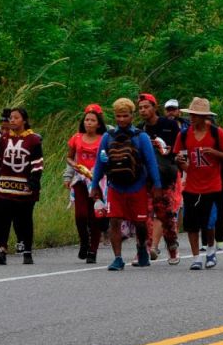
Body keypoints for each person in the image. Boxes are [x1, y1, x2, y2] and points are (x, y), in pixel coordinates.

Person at [91, 98, 163, 271]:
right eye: (118, 116)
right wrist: (94, 185)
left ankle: (141, 249)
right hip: (115, 186)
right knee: (114, 221)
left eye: (125, 116)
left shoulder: (141, 137)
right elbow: (99, 163)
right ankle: (118, 258)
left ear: (132, 115)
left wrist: (157, 185)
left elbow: (151, 162)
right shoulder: (108, 137)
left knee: (140, 223)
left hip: (137, 186)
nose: (121, 119)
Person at [173, 98, 223, 271]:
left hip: (212, 184)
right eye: (191, 114)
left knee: (209, 222)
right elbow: (179, 156)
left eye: (196, 115)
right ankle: (196, 257)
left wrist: (214, 152)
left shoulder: (216, 133)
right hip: (191, 185)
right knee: (191, 223)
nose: (192, 118)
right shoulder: (183, 134)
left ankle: (211, 250)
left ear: (204, 116)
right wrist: (181, 162)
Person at [0, 107, 44, 265]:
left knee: (24, 220)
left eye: (16, 118)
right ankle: (1, 249)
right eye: (11, 118)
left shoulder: (33, 139)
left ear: (24, 120)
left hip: (24, 188)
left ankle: (27, 250)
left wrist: (34, 180)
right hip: (5, 186)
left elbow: (37, 164)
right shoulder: (4, 139)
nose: (12, 120)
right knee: (2, 219)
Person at [137, 93, 181, 263]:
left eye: (146, 107)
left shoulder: (169, 125)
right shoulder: (139, 130)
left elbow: (178, 151)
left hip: (166, 177)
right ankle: (144, 249)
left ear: (154, 107)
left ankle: (172, 248)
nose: (143, 110)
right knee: (144, 214)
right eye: (140, 108)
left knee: (166, 214)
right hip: (145, 178)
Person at [65, 105, 108, 262]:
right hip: (80, 180)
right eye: (87, 120)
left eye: (92, 120)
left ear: (98, 123)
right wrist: (73, 166)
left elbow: (107, 157)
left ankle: (93, 250)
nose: (88, 123)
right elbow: (69, 157)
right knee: (81, 215)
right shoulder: (76, 138)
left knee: (94, 216)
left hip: (97, 180)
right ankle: (84, 241)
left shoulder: (104, 138)